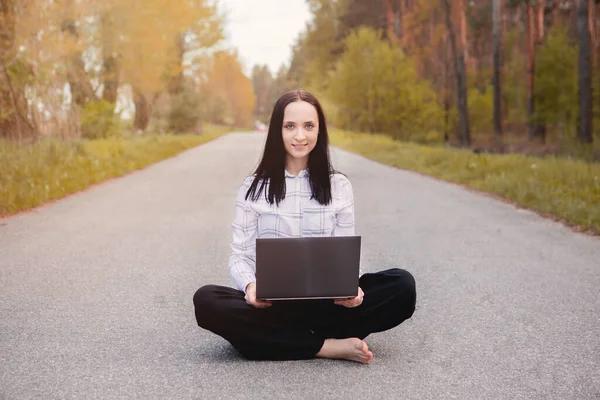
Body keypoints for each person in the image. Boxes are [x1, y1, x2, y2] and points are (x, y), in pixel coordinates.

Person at [193, 89, 416, 364]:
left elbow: (345, 253)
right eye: (290, 126)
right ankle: (326, 346)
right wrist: (251, 286)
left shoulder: (339, 186)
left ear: (319, 130)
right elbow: (240, 256)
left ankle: (280, 342)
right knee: (206, 301)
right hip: (272, 308)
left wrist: (351, 288)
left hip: (328, 307)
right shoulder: (252, 188)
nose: (300, 136)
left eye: (309, 126)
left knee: (402, 285)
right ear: (278, 130)